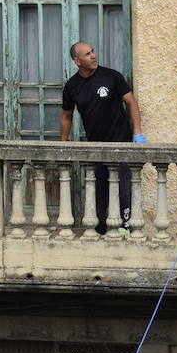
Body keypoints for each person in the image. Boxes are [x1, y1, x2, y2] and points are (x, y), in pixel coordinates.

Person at [60, 41, 146, 235]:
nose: (93, 56)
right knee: (99, 186)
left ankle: (125, 225)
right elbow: (66, 116)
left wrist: (138, 132)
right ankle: (100, 227)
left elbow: (131, 102)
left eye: (93, 51)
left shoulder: (112, 76)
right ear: (77, 60)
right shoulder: (72, 86)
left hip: (121, 141)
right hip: (96, 144)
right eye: (87, 54)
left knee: (124, 184)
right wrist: (63, 144)